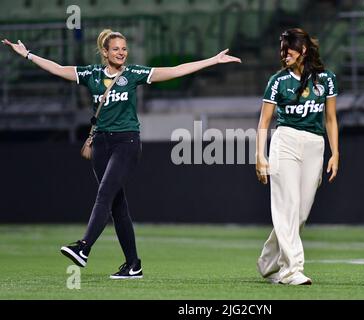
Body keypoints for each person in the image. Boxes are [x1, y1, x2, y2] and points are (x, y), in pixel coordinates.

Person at [2, 29, 241, 279]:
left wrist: (212, 60)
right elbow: (58, 68)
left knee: (105, 193)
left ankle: (83, 247)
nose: (121, 53)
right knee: (117, 206)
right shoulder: (91, 74)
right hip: (100, 144)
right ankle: (133, 264)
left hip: (126, 142)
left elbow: (175, 70)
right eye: (115, 49)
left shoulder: (134, 73)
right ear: (105, 52)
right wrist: (27, 54)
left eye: (124, 49)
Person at [255, 28, 339, 285]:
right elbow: (264, 122)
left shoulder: (326, 79)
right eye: (281, 50)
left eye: (287, 50)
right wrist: (260, 155)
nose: (283, 55)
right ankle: (291, 270)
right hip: (286, 141)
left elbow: (331, 119)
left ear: (302, 50)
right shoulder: (278, 81)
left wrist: (335, 153)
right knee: (287, 206)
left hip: (315, 144)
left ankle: (268, 261)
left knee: (300, 213)